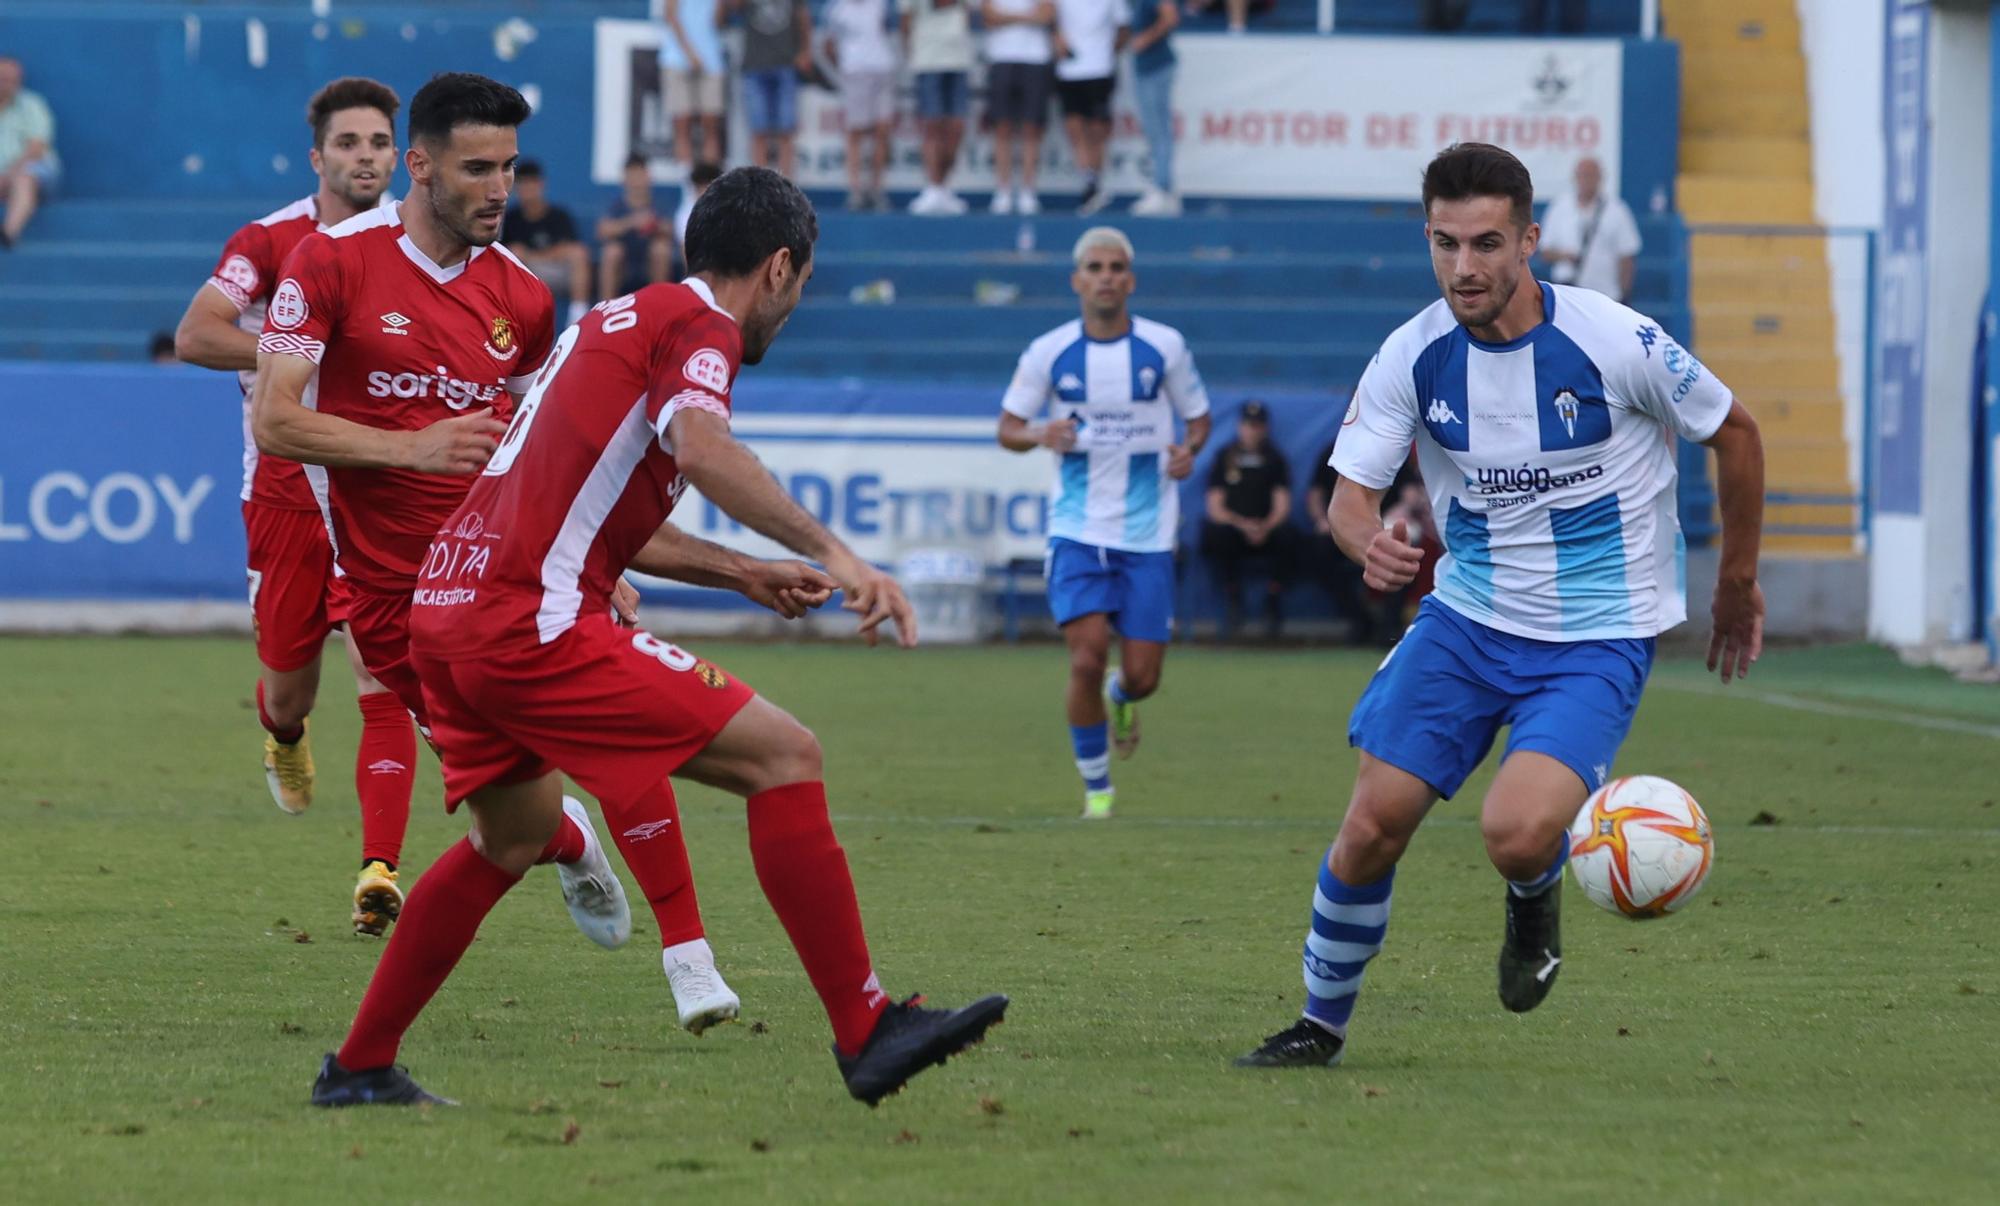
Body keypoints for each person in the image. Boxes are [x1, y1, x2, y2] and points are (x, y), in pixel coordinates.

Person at [310, 166, 1009, 1109]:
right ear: (778, 269)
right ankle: (866, 1025)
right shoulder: (701, 328)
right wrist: (840, 557)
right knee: (784, 756)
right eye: (798, 288)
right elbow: (704, 449)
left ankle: (357, 1067)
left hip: (450, 612)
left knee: (507, 840)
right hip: (530, 621)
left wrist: (744, 571)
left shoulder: (612, 319)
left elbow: (599, 510)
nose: (791, 309)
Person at [1234, 143, 1765, 1069]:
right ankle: (1319, 1026)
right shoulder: (1413, 353)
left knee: (1516, 834)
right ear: (1428, 238)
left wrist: (1736, 581)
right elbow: (1348, 502)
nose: (1464, 267)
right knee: (1370, 826)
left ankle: (1532, 901)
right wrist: (1373, 547)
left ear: (1530, 239)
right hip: (1467, 623)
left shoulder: (1615, 340)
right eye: (1445, 244)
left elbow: (1739, 433)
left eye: (1486, 243)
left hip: (1593, 638)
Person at [247, 77, 746, 1041]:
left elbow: (546, 454)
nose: (500, 188)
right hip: (391, 604)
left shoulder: (521, 292)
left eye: (510, 168)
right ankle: (569, 846)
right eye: (479, 167)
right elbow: (274, 418)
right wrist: (410, 447)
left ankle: (691, 960)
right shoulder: (329, 262)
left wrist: (603, 565)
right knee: (512, 818)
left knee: (611, 728)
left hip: (501, 576)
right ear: (421, 166)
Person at [171, 78, 420, 904]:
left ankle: (379, 868)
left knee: (384, 668)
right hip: (283, 489)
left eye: (379, 143)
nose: (365, 158)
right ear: (318, 157)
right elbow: (198, 333)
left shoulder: (417, 245)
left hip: (376, 481)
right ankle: (282, 731)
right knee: (291, 685)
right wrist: (296, 352)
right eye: (348, 144)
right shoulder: (272, 239)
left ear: (401, 154)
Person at [997, 226, 1212, 820]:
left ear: (1131, 279)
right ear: (1077, 280)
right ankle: (1098, 788)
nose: (1106, 276)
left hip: (1147, 537)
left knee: (1141, 677)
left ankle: (1123, 696)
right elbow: (1008, 428)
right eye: (1095, 266)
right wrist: (1040, 432)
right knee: (1086, 657)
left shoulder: (1165, 347)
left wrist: (1187, 450)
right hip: (1078, 530)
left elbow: (1198, 419)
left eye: (1116, 266)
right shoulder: (1049, 351)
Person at [1198, 401, 1304, 640]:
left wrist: (1265, 526)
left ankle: (1273, 596)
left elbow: (1282, 504)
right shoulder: (1225, 457)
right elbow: (1215, 506)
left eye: (1257, 426)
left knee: (1292, 537)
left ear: (1264, 428)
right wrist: (1242, 525)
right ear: (1240, 426)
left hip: (1267, 530)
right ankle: (1233, 596)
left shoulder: (1275, 459)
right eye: (1248, 425)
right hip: (1235, 529)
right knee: (1216, 535)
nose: (1252, 431)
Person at [1304, 435, 1419, 646]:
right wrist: (1324, 520)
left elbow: (1411, 494)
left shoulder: (1394, 450)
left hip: (1388, 527)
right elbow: (1318, 493)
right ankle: (1360, 619)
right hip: (1345, 529)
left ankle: (1390, 624)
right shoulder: (1334, 451)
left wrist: (1399, 513)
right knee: (1318, 550)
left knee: (1404, 547)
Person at [1053, 0, 1128, 217]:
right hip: (1069, 69)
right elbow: (1049, 16)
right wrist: (1057, 38)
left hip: (1099, 69)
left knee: (1097, 129)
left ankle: (1095, 180)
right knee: (1075, 127)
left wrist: (1106, 51)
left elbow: (1123, 28)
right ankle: (1087, 179)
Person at [823, 0, 900, 211]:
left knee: (882, 130)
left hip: (882, 70)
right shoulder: (837, 9)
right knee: (854, 131)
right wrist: (846, 64)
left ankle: (877, 189)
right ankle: (855, 190)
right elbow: (828, 45)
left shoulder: (880, 4)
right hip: (855, 72)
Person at [901, 0, 975, 215]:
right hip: (927, 58)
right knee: (931, 125)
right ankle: (933, 188)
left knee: (956, 127)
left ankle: (944, 186)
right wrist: (914, 51)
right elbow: (906, 19)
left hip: (959, 59)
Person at [982, 0, 1055, 215]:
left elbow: (1047, 14)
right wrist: (1027, 16)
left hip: (1035, 58)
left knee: (1032, 128)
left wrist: (1007, 17)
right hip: (1001, 57)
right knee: (1001, 126)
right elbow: (988, 17)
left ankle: (1027, 191)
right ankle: (1003, 190)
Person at [501, 159, 593, 325]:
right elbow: (507, 255)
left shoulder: (559, 215)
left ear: (541, 185)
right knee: (513, 253)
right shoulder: (511, 219)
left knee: (579, 253)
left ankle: (578, 318)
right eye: (523, 184)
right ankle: (514, 315)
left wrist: (533, 255)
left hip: (558, 273)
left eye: (532, 183)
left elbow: (570, 249)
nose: (528, 189)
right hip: (528, 274)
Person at [1537, 156, 1640, 303]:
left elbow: (1627, 255)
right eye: (1583, 175)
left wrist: (1624, 295)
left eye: (1591, 175)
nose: (1587, 180)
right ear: (1575, 178)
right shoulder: (1560, 208)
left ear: (1600, 178)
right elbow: (1545, 251)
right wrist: (1565, 256)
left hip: (1605, 294)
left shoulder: (1617, 210)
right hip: (1568, 294)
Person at [731, 0, 812, 179]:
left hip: (785, 64)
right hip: (755, 65)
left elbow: (802, 16)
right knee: (759, 131)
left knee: (786, 130)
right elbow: (732, 7)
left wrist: (805, 50)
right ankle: (760, 190)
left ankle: (785, 187)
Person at [1125, 0, 1179, 217]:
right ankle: (1165, 187)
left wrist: (1146, 38)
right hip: (1146, 68)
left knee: (1158, 130)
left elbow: (1171, 17)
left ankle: (1162, 188)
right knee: (1155, 130)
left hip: (1155, 68)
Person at [659, 0, 727, 165]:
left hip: (711, 61)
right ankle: (688, 188)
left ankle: (711, 185)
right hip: (677, 59)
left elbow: (718, 22)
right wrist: (690, 54)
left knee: (711, 126)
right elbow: (670, 15)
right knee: (682, 125)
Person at [0, 56, 58, 250]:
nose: (4, 84)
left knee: (24, 179)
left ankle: (8, 232)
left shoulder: (32, 105)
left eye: (9, 79)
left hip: (33, 170)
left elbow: (36, 148)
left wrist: (9, 175)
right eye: (1, 78)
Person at [600, 153, 675, 299]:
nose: (636, 181)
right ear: (625, 178)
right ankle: (605, 309)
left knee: (661, 249)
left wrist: (654, 224)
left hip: (649, 264)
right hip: (624, 266)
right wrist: (631, 222)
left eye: (640, 174)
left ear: (648, 176)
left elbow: (672, 230)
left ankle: (660, 308)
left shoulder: (659, 205)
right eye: (632, 175)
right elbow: (603, 230)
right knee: (612, 252)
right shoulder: (616, 206)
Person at [674, 160, 723, 268]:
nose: (703, 192)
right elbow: (685, 250)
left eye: (707, 187)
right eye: (700, 187)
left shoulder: (729, 209)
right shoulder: (686, 212)